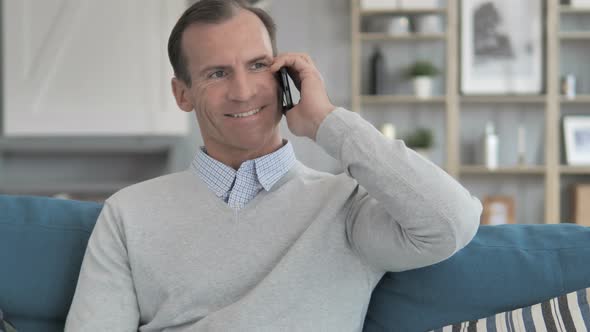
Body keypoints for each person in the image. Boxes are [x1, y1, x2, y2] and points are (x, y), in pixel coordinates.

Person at [65, 0, 482, 330]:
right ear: (183, 94)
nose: (243, 91)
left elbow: (451, 222)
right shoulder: (128, 213)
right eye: (217, 73)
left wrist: (326, 122)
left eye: (258, 66)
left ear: (285, 75)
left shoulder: (346, 206)